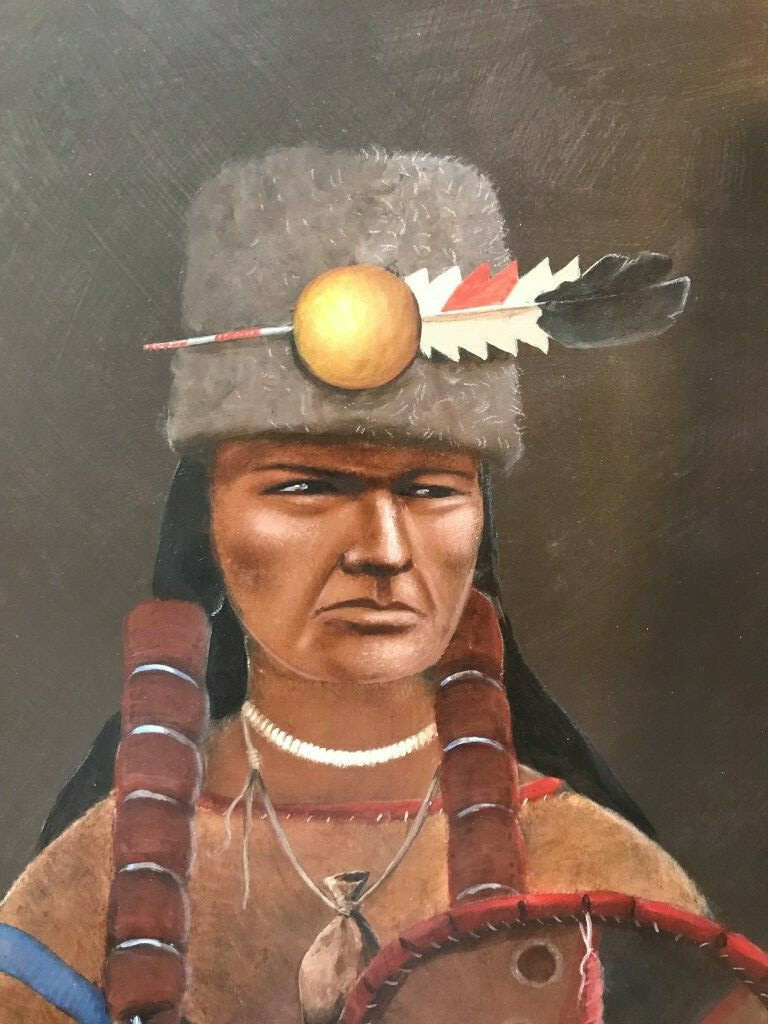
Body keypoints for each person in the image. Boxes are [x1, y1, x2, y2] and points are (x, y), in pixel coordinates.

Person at [1, 146, 759, 1024]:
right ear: (206, 518)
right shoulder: (77, 903)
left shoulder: (601, 878)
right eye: (307, 487)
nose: (383, 549)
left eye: (429, 489)